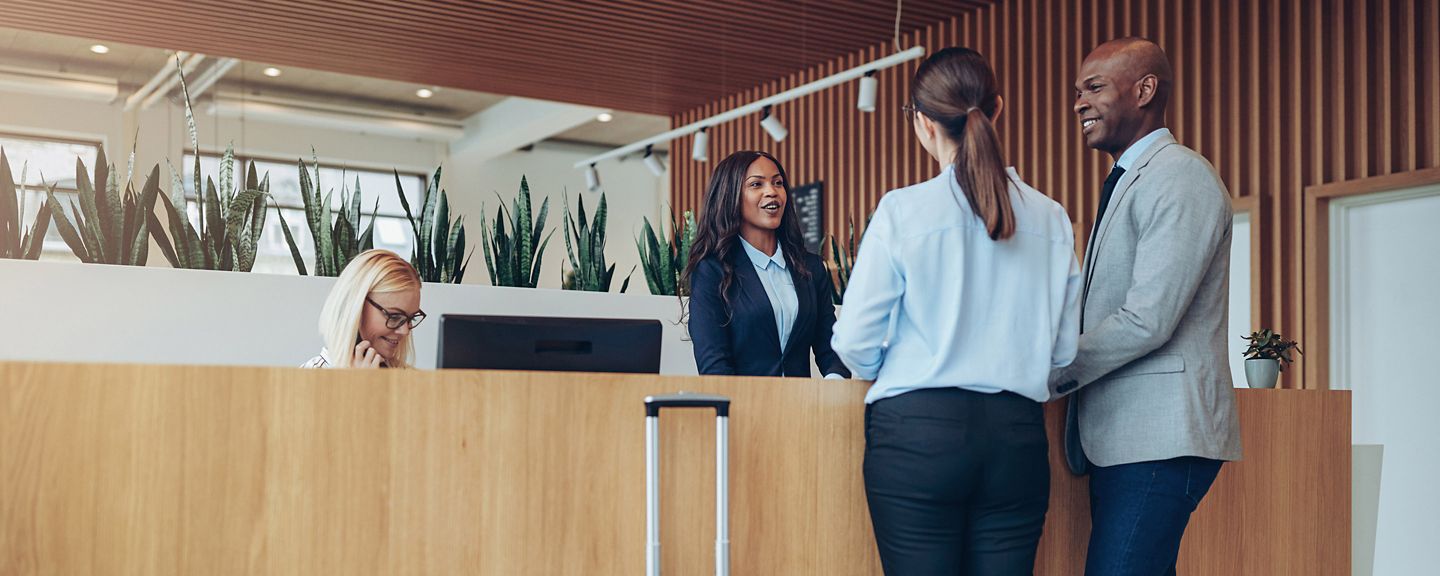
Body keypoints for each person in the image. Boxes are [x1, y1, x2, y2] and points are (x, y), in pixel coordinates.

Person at [831, 47, 1081, 575]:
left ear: (922, 123)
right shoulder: (1051, 217)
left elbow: (852, 339)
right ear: (998, 109)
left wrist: (898, 372)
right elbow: (1064, 351)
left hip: (917, 436)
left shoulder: (903, 210)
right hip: (1016, 438)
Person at [1050, 37, 1241, 576]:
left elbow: (1148, 319)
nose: (1079, 103)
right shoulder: (1134, 178)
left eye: (1094, 88)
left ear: (1145, 90)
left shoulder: (1180, 175)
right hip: (1128, 441)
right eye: (1077, 91)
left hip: (1161, 440)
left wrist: (1049, 371)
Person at [684, 150, 849, 379]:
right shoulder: (712, 271)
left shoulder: (810, 268)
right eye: (756, 184)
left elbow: (831, 349)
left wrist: (833, 385)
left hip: (805, 408)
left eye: (778, 183)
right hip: (745, 408)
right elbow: (714, 365)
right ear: (730, 195)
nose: (771, 192)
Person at [302, 249, 426, 369]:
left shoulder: (410, 380)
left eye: (411, 319)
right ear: (357, 308)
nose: (405, 331)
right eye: (394, 317)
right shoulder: (307, 379)